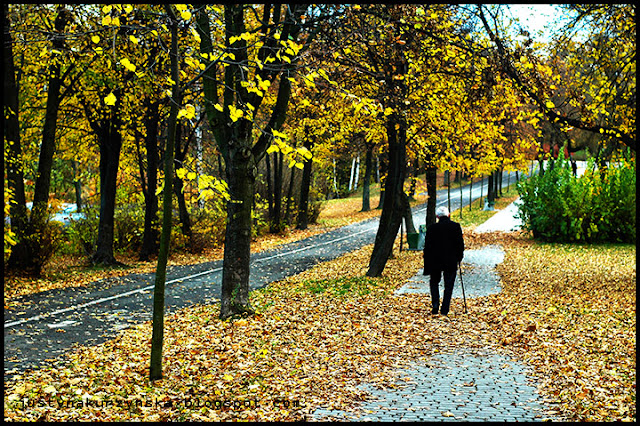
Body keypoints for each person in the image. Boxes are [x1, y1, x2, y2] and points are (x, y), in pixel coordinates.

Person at [423, 206, 465, 315]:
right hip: (450, 260)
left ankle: (435, 305)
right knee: (449, 285)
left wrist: (427, 263)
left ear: (437, 216)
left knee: (434, 282)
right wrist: (459, 258)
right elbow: (460, 245)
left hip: (435, 261)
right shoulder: (455, 227)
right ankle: (445, 309)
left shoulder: (432, 228)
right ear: (449, 215)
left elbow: (427, 247)